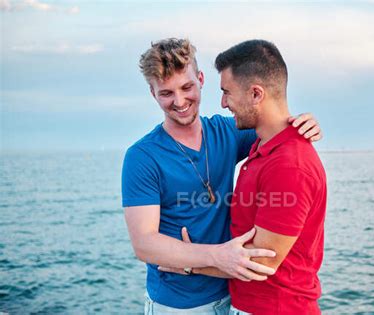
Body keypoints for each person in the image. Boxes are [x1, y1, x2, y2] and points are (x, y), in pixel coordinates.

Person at [121, 38, 322, 314]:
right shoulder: (142, 156)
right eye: (166, 93)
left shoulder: (229, 133)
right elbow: (144, 243)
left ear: (201, 79)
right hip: (178, 305)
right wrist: (213, 257)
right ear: (152, 93)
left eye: (187, 87)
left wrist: (303, 122)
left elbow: (271, 123)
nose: (179, 101)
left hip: (232, 298)